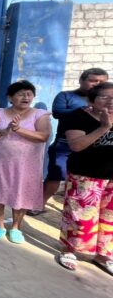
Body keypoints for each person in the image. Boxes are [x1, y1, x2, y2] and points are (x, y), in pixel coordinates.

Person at [0, 81, 51, 244]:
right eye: (21, 94)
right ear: (10, 97)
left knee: (23, 193)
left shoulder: (40, 114)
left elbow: (43, 136)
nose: (26, 97)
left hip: (27, 164)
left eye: (29, 94)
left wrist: (18, 129)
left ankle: (16, 227)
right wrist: (4, 131)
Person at [31, 68, 109, 216]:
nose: (97, 84)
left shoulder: (106, 100)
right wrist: (83, 110)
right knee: (55, 175)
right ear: (81, 81)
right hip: (65, 145)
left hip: (96, 148)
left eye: (101, 82)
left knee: (88, 182)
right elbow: (57, 112)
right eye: (93, 80)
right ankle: (39, 204)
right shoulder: (66, 96)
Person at [56, 82, 113, 274]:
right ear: (91, 100)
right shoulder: (78, 117)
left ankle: (103, 255)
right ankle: (69, 250)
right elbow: (76, 146)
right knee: (80, 215)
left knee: (110, 219)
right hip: (86, 174)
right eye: (105, 97)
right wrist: (104, 127)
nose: (111, 101)